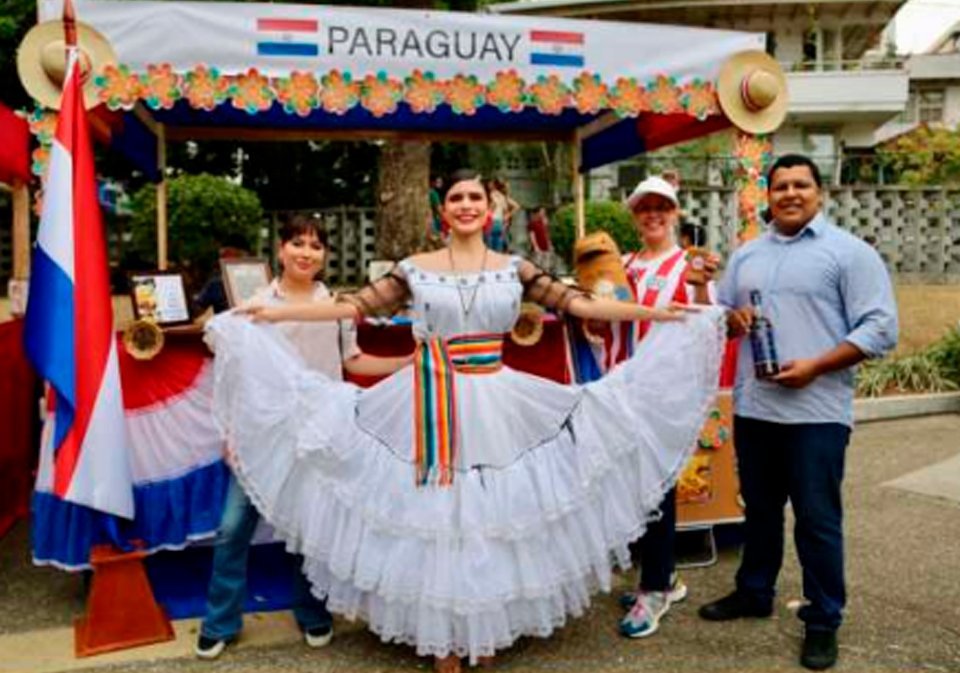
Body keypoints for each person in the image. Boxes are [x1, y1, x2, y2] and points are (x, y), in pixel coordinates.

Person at [206, 169, 726, 672]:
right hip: (429, 397)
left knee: (489, 513)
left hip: (495, 399)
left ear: (489, 206)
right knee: (436, 511)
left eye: (474, 197)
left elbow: (580, 302)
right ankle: (443, 637)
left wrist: (659, 315)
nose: (466, 206)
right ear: (443, 208)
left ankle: (484, 626)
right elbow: (353, 308)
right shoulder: (415, 266)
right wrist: (275, 314)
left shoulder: (514, 266)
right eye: (456, 197)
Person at [698, 154, 898, 671]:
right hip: (756, 406)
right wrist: (734, 318)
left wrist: (816, 365)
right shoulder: (747, 255)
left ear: (819, 192)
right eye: (780, 185)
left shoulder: (848, 253)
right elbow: (722, 314)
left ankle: (824, 618)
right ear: (767, 195)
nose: (790, 193)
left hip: (816, 411)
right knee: (760, 512)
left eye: (800, 185)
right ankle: (754, 592)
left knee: (817, 519)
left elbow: (880, 327)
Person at [196, 215, 410, 660]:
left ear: (324, 255)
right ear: (280, 249)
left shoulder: (336, 306)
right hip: (263, 434)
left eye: (315, 245)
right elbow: (233, 368)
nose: (306, 252)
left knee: (314, 529)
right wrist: (235, 432)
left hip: (320, 429)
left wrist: (405, 363)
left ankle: (312, 611)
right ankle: (220, 622)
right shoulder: (255, 302)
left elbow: (354, 361)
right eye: (297, 243)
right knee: (234, 527)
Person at [575, 175, 718, 640]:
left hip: (661, 396)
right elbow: (604, 317)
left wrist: (698, 289)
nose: (653, 214)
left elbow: (704, 322)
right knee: (628, 484)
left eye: (662, 207)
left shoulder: (688, 265)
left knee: (655, 489)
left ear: (675, 212)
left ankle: (655, 587)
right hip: (618, 387)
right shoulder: (624, 265)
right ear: (633, 215)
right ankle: (665, 578)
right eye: (644, 208)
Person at [485, 177, 519, 252]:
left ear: (494, 185)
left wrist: (488, 212)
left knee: (489, 250)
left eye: (491, 184)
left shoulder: (491, 195)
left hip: (491, 222)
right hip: (500, 223)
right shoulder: (503, 197)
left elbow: (491, 207)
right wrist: (507, 216)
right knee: (498, 250)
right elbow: (516, 206)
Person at [526, 205, 553, 270]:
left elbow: (547, 234)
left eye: (544, 212)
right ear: (537, 213)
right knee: (537, 266)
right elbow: (532, 235)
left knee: (547, 266)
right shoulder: (532, 223)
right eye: (542, 211)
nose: (543, 213)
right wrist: (535, 246)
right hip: (538, 249)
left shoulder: (543, 222)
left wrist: (550, 244)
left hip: (546, 247)